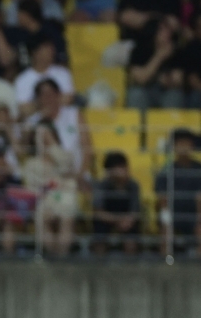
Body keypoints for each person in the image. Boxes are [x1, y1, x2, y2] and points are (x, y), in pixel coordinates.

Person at [23, 121, 79, 256]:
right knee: (43, 217)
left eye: (46, 135)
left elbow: (68, 168)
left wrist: (52, 145)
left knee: (67, 216)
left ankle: (62, 256)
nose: (43, 138)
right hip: (44, 197)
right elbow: (32, 188)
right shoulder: (30, 164)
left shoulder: (65, 156)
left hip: (64, 194)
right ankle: (51, 257)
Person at [24, 78, 90, 175]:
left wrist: (80, 175)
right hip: (47, 175)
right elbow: (24, 147)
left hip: (76, 173)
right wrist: (41, 118)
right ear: (38, 99)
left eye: (51, 94)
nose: (48, 99)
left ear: (58, 95)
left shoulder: (74, 114)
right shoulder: (34, 120)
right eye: (43, 95)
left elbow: (87, 148)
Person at [155, 129, 201, 248]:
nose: (184, 148)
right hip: (173, 213)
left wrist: (198, 217)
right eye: (180, 144)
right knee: (165, 224)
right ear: (174, 147)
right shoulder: (166, 170)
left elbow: (199, 198)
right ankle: (166, 261)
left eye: (187, 144)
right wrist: (166, 217)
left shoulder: (198, 169)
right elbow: (162, 197)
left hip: (195, 214)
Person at [127, 17, 185, 110]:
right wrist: (159, 57)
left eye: (168, 29)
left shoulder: (176, 52)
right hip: (146, 92)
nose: (168, 32)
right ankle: (139, 124)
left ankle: (170, 124)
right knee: (135, 94)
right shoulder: (139, 51)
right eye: (162, 29)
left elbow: (179, 79)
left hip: (166, 93)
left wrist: (171, 80)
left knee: (175, 95)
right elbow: (140, 79)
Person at [92, 151, 142, 254]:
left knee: (131, 242)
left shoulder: (133, 186)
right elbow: (98, 212)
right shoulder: (102, 186)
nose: (122, 171)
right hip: (106, 220)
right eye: (118, 168)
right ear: (109, 171)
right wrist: (118, 220)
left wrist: (128, 221)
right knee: (99, 241)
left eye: (123, 167)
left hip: (127, 221)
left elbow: (135, 210)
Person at [14, 38, 74, 117]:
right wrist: (44, 107)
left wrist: (40, 104)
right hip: (36, 121)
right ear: (35, 52)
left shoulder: (63, 73)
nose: (52, 52)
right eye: (47, 49)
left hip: (62, 117)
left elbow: (68, 98)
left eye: (52, 49)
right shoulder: (22, 79)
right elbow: (24, 109)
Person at [11, 0, 69, 67]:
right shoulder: (21, 33)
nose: (17, 17)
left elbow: (61, 56)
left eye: (20, 14)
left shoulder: (51, 30)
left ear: (27, 15)